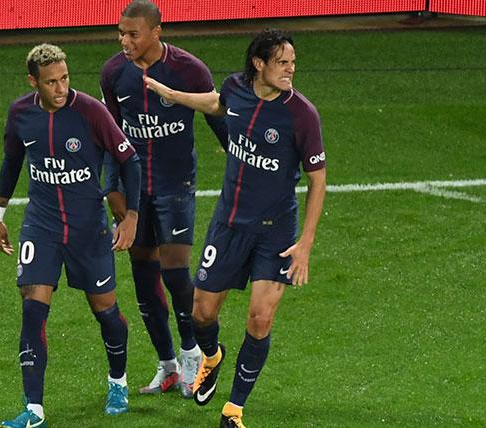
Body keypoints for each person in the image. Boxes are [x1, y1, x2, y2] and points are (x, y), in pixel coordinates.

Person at [143, 29, 327, 427]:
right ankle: (212, 356)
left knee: (260, 318)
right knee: (201, 313)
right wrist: (174, 96)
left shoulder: (301, 116)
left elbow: (318, 180)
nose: (291, 69)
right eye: (282, 62)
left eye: (293, 62)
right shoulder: (237, 89)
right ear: (259, 64)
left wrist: (306, 243)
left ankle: (234, 409)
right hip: (229, 225)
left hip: (275, 231)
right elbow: (216, 103)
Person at [0, 43, 141, 428]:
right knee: (32, 307)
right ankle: (34, 409)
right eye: (51, 82)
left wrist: (131, 217)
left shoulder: (91, 111)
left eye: (65, 79)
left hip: (87, 228)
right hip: (41, 225)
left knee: (106, 312)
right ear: (33, 82)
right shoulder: (21, 114)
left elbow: (129, 160)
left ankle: (118, 381)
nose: (60, 89)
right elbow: (12, 161)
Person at [99, 0, 228, 398]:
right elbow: (110, 136)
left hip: (176, 184)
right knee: (142, 274)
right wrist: (112, 188)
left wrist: (240, 162)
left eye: (133, 34)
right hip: (136, 191)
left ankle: (194, 356)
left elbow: (218, 119)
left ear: (156, 32)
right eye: (121, 33)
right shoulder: (113, 74)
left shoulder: (189, 69)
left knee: (175, 273)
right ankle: (167, 364)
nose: (125, 40)